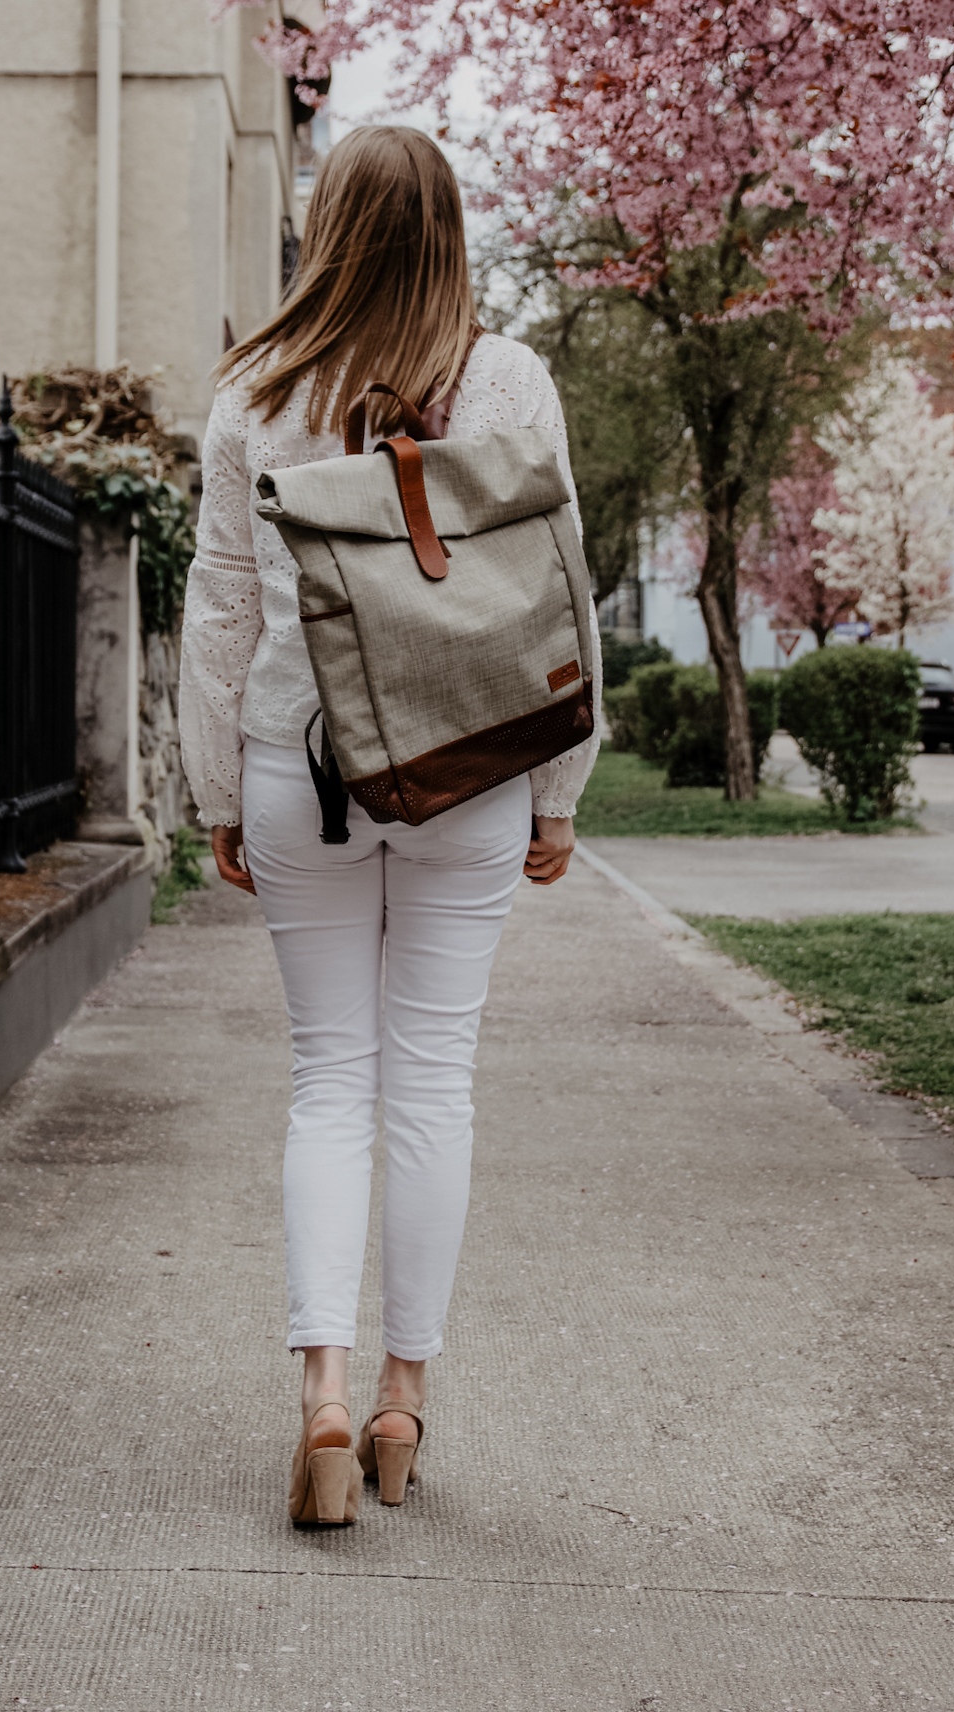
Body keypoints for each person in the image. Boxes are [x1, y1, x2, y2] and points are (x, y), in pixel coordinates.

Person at [178, 125, 600, 1524]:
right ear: (452, 231)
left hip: (301, 766)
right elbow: (563, 588)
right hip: (469, 766)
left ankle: (318, 1405)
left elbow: (224, 605)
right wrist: (558, 789)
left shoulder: (258, 386)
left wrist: (214, 790)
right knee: (432, 1080)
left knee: (327, 1080)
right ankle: (404, 1401)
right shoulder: (510, 378)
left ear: (327, 226)